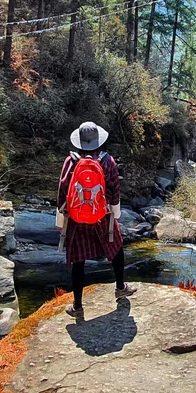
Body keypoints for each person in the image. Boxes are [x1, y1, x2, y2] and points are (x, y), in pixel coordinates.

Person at [57, 121, 137, 318]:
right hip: (103, 216)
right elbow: (114, 190)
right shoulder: (107, 161)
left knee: (78, 261)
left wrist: (61, 221)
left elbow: (62, 191)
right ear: (99, 141)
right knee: (116, 248)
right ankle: (120, 288)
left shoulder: (71, 161)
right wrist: (115, 214)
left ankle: (77, 306)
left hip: (76, 219)